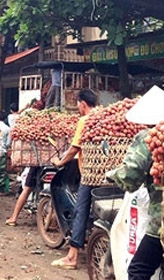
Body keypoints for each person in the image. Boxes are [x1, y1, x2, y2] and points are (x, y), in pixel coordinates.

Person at [106, 85, 164, 280]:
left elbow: (130, 177)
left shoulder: (149, 138)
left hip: (161, 223)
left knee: (138, 270)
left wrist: (112, 175)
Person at [49, 89, 97, 269]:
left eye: (77, 104)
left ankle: (72, 256)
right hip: (108, 176)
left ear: (82, 104)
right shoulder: (101, 118)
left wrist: (60, 162)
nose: (78, 107)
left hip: (90, 175)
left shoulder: (85, 121)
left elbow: (74, 148)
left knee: (80, 212)